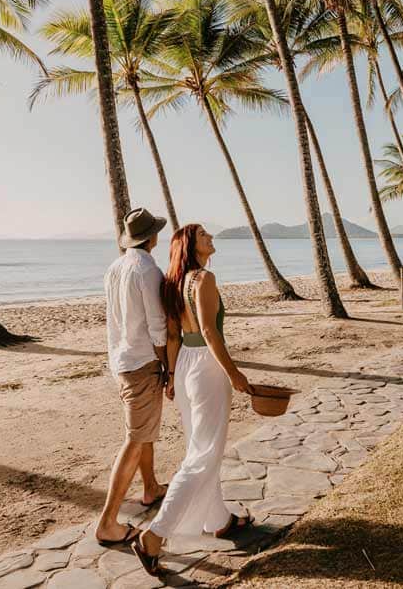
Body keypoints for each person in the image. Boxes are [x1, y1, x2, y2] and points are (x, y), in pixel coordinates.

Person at [131, 224, 253, 576]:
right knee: (202, 454)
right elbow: (210, 331)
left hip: (185, 366)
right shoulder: (203, 278)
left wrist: (171, 377)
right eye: (203, 235)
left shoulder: (173, 283)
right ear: (190, 246)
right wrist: (234, 374)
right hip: (206, 368)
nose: (210, 237)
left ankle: (219, 520)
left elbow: (173, 334)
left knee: (201, 447)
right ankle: (154, 536)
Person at [95, 207, 170, 547]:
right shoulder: (148, 269)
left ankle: (151, 487)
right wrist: (166, 365)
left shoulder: (114, 267)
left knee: (144, 429)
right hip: (142, 362)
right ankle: (108, 522)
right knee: (136, 437)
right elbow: (157, 327)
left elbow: (114, 319)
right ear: (151, 237)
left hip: (121, 359)